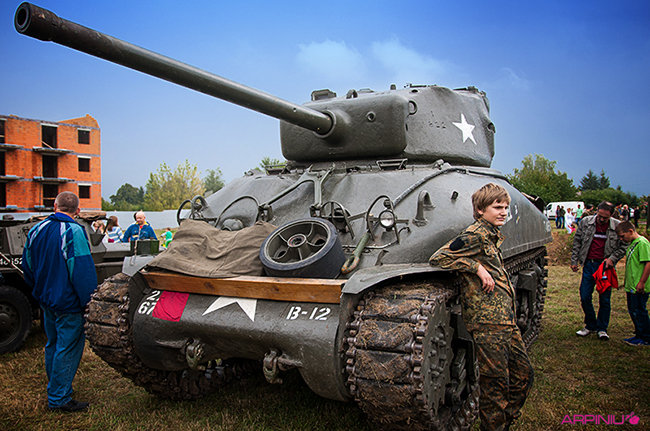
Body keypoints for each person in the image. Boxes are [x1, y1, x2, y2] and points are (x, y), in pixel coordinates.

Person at [430, 183, 533, 431]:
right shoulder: (475, 235)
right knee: (495, 384)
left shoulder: (490, 234)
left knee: (523, 375)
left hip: (504, 319)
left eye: (505, 207)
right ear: (480, 210)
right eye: (497, 207)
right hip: (488, 321)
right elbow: (439, 257)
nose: (503, 212)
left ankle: (505, 420)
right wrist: (476, 267)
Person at [21, 191, 97, 412]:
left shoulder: (36, 229)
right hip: (68, 302)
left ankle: (56, 386)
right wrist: (88, 302)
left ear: (55, 206)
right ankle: (59, 397)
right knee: (68, 347)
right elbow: (81, 271)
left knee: (52, 344)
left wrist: (38, 289)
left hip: (46, 299)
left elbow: (27, 264)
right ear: (78, 211)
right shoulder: (74, 231)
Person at [570, 201, 627, 340]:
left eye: (605, 218)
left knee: (605, 299)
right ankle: (590, 324)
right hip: (589, 264)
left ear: (611, 215)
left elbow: (624, 246)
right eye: (599, 216)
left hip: (605, 267)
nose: (601, 219)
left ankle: (602, 328)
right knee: (585, 296)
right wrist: (574, 260)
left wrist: (612, 259)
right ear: (597, 211)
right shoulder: (586, 222)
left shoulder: (617, 226)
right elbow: (577, 241)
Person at [615, 221, 650, 346]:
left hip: (639, 286)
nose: (621, 239)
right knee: (633, 310)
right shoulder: (632, 244)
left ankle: (646, 337)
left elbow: (648, 263)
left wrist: (642, 282)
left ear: (630, 231)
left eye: (622, 236)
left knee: (639, 310)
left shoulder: (642, 243)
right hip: (631, 285)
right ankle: (639, 334)